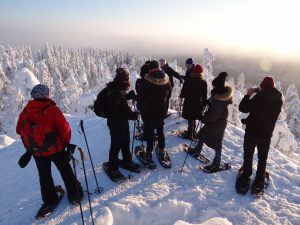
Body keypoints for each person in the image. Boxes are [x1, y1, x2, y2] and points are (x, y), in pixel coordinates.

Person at [16, 84, 83, 217]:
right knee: (65, 169)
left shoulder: (26, 110)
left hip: (37, 152)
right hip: (55, 149)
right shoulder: (52, 109)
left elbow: (19, 130)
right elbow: (64, 129)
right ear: (46, 95)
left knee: (44, 175)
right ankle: (74, 193)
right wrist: (66, 143)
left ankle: (49, 199)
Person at [236, 76, 283, 193]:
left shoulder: (259, 97)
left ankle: (246, 175)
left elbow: (243, 108)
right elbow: (264, 113)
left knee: (248, 154)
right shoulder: (278, 100)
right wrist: (260, 92)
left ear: (262, 86)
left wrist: (248, 95)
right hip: (266, 135)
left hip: (252, 133)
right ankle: (259, 180)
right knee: (262, 158)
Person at [188, 72, 233, 172]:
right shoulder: (218, 95)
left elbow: (213, 116)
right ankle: (197, 150)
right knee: (202, 134)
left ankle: (216, 163)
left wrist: (202, 118)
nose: (212, 87)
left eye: (214, 86)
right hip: (214, 122)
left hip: (218, 124)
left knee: (216, 143)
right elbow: (211, 101)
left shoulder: (219, 100)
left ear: (217, 87)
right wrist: (206, 102)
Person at [105, 68, 140, 176]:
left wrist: (129, 95)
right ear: (125, 79)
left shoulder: (119, 87)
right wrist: (132, 115)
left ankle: (127, 161)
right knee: (116, 145)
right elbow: (117, 111)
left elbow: (121, 101)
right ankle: (112, 167)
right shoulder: (117, 91)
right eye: (127, 78)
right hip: (116, 123)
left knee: (125, 142)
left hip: (121, 122)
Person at [139, 60, 172, 162]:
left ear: (150, 69)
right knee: (160, 130)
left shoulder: (146, 80)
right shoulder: (166, 79)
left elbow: (142, 97)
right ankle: (162, 149)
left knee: (149, 132)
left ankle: (149, 152)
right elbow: (169, 94)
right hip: (161, 111)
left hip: (149, 112)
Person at [179, 64, 207, 139]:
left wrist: (182, 95)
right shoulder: (203, 83)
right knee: (193, 117)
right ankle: (192, 132)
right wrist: (204, 104)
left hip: (188, 103)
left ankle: (190, 134)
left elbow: (183, 93)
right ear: (201, 73)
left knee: (190, 118)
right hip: (198, 104)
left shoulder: (188, 80)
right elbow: (204, 96)